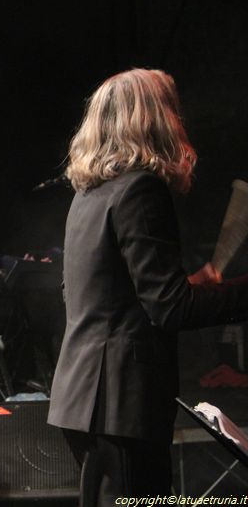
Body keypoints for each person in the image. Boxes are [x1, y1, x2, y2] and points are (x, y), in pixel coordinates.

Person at [47, 68, 248, 504]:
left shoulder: (88, 195)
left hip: (84, 397)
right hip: (121, 401)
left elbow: (100, 296)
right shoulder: (141, 189)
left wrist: (190, 283)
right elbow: (170, 309)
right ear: (155, 118)